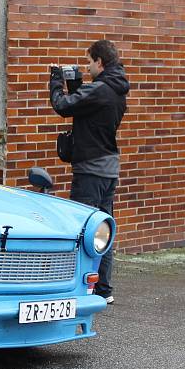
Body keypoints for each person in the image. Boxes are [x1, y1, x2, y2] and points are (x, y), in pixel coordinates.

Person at [49, 39, 129, 304]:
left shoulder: (101, 89)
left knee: (83, 228)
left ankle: (79, 287)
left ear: (100, 62)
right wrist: (76, 86)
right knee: (104, 228)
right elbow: (86, 108)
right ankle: (103, 290)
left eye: (88, 61)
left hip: (90, 170)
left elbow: (63, 105)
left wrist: (55, 82)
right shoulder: (116, 89)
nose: (87, 66)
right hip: (108, 168)